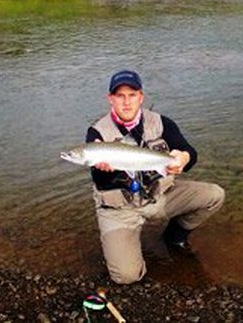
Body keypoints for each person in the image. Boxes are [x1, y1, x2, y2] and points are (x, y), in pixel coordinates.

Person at [86, 69, 225, 284]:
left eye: (132, 95)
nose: (126, 102)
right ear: (110, 99)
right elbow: (100, 182)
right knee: (126, 277)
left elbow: (190, 153)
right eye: (120, 96)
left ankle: (174, 236)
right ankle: (129, 251)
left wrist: (183, 158)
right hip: (119, 210)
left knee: (214, 195)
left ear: (141, 97)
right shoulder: (97, 133)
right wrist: (101, 169)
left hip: (159, 197)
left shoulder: (163, 123)